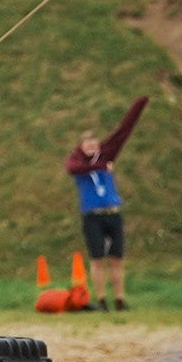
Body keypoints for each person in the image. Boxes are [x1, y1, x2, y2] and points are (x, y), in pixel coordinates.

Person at [67, 96, 148, 312]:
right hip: (92, 215)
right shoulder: (79, 162)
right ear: (81, 147)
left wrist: (140, 103)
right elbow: (72, 168)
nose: (93, 147)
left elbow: (123, 131)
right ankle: (101, 299)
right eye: (88, 144)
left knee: (117, 258)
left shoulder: (107, 154)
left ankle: (120, 299)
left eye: (95, 143)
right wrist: (102, 166)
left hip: (113, 212)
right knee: (97, 259)